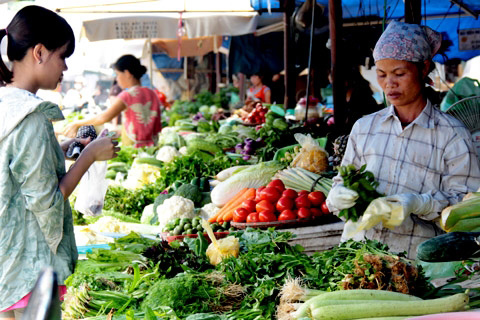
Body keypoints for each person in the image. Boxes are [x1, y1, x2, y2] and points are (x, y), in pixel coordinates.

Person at [0, 6, 119, 319]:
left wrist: (61, 148)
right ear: (39, 52)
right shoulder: (32, 118)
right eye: (62, 55)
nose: (65, 67)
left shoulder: (5, 104)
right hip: (29, 264)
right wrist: (90, 154)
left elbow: (16, 168)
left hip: (7, 258)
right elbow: (47, 200)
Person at [325, 21, 480, 259]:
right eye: (381, 74)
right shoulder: (364, 128)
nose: (389, 84)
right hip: (357, 258)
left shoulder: (452, 135)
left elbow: (468, 208)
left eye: (399, 74)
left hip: (416, 265)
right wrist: (338, 195)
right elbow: (341, 184)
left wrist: (421, 203)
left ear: (423, 68)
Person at [64, 55, 162, 148]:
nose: (117, 79)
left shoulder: (127, 95)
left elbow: (103, 117)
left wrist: (77, 123)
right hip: (154, 146)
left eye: (118, 74)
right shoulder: (152, 93)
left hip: (134, 149)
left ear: (127, 73)